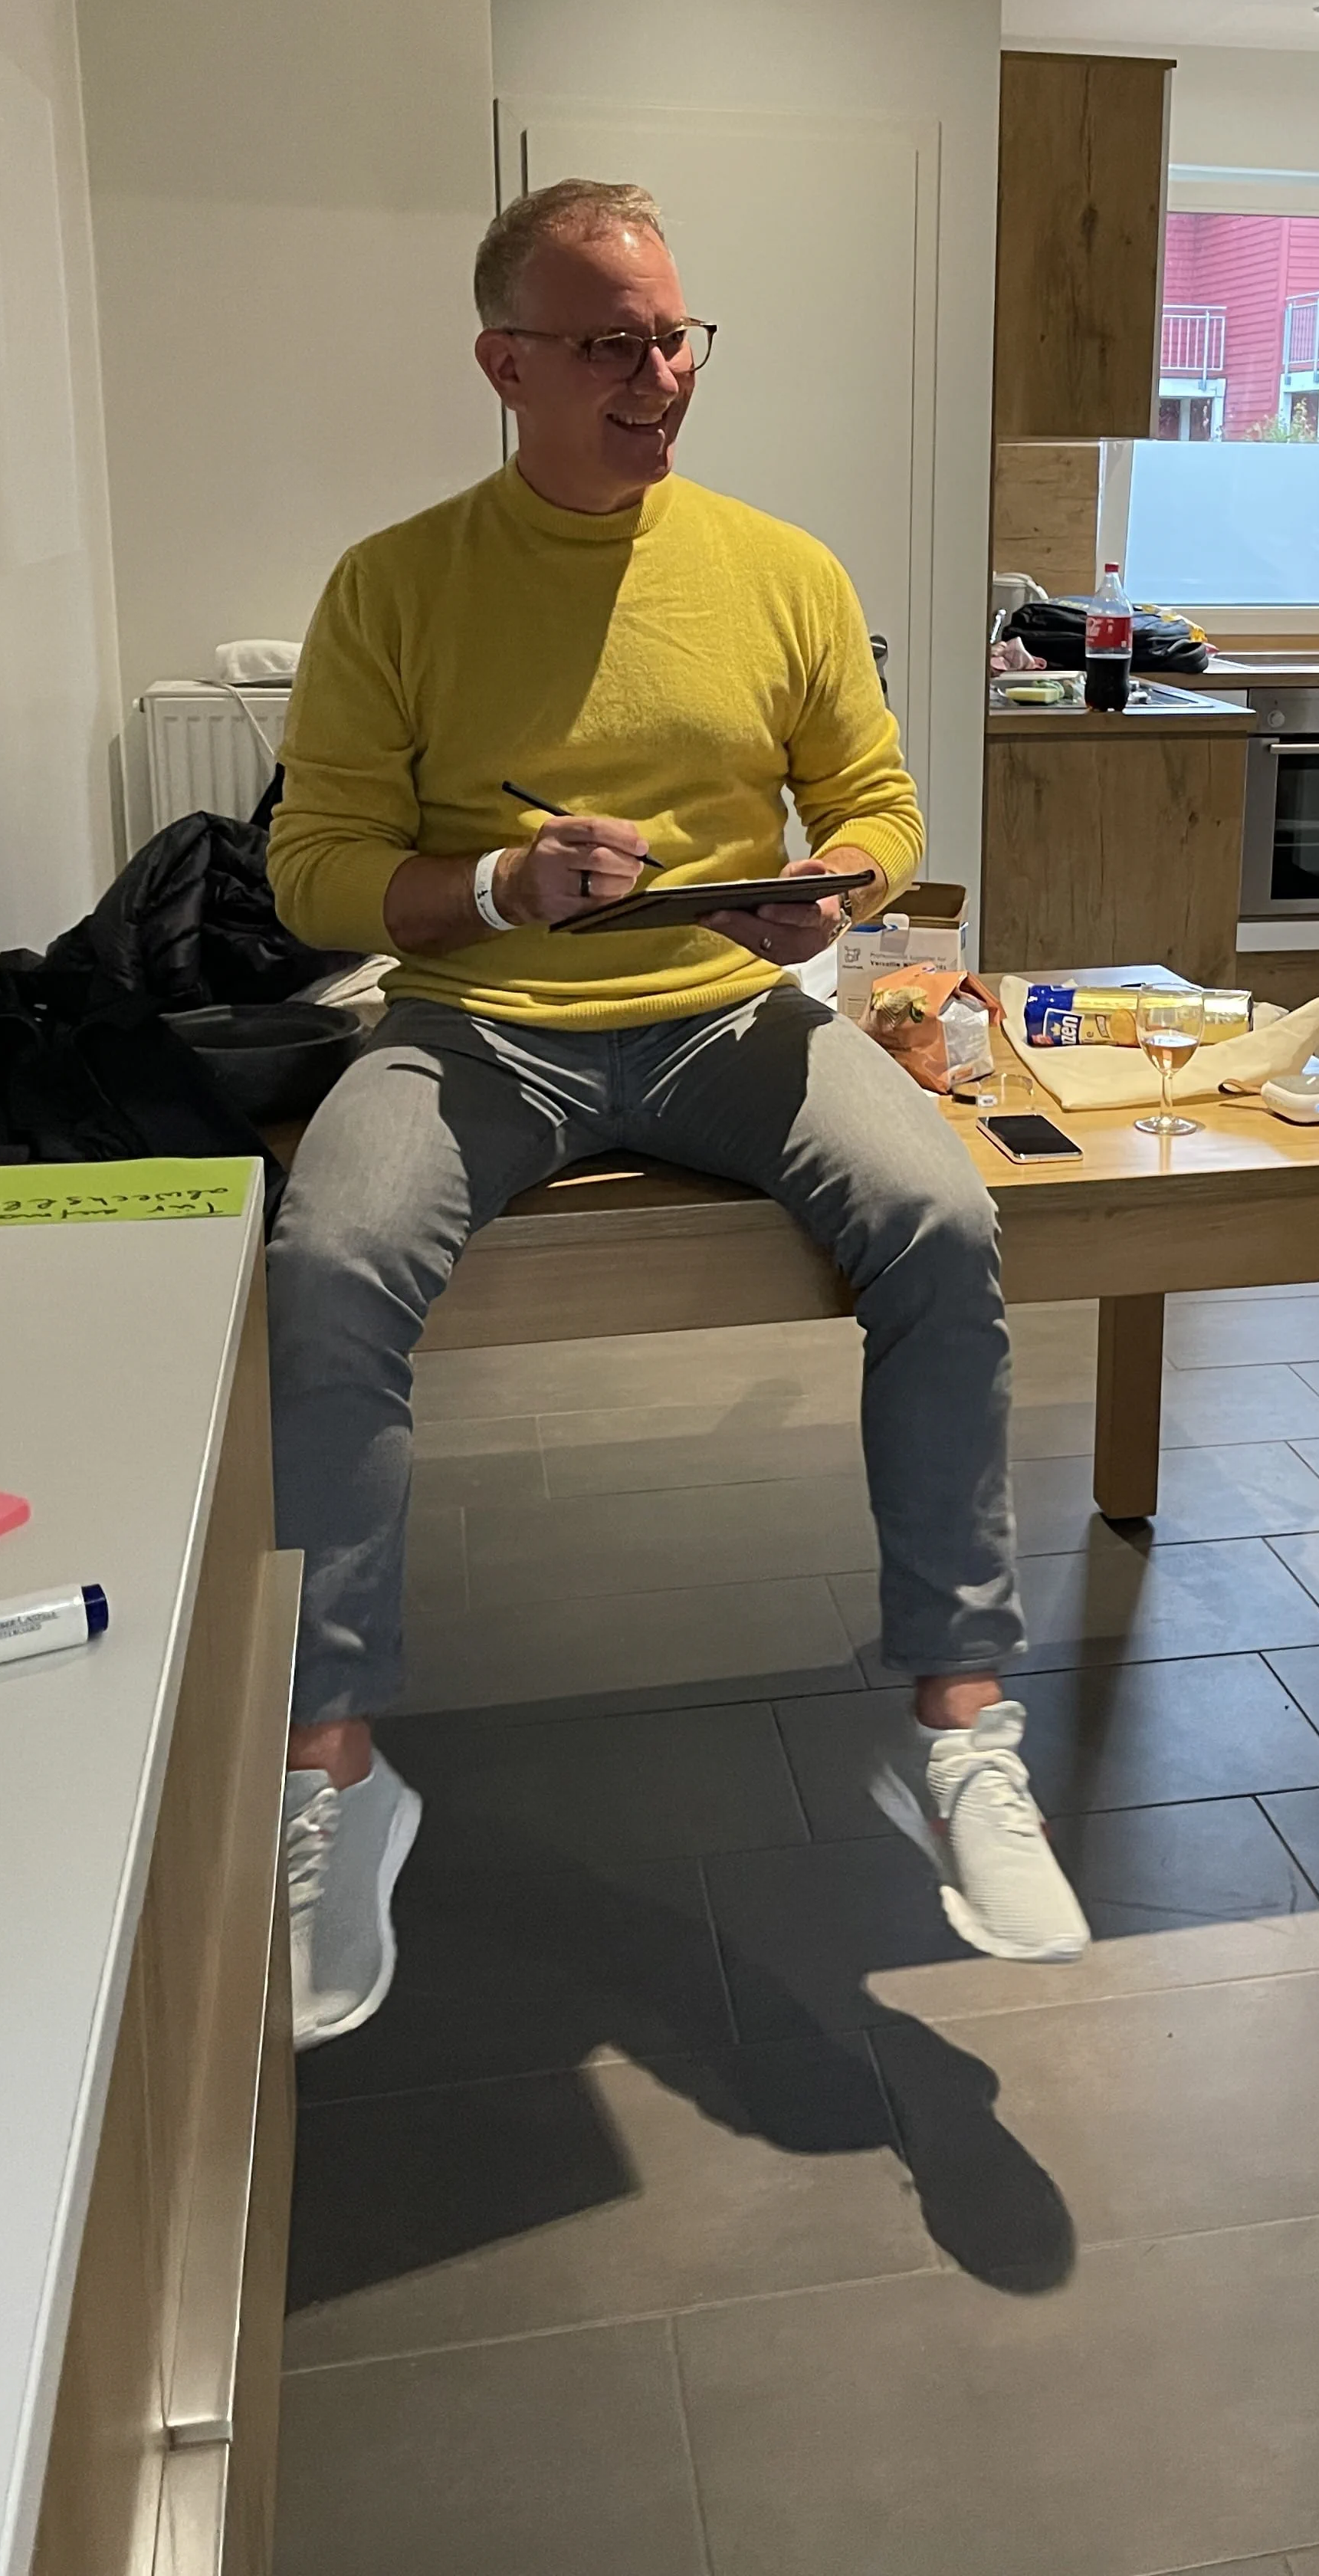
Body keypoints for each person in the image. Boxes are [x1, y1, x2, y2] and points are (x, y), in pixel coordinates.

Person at [265, 178, 1089, 2048]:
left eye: (673, 335)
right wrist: (496, 891)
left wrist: (839, 890)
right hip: (481, 1023)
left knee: (948, 1221)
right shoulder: (395, 583)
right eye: (611, 342)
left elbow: (880, 796)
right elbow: (316, 869)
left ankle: (959, 1727)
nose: (658, 375)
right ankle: (333, 1767)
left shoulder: (778, 568)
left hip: (729, 1012)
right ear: (506, 365)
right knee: (327, 1261)